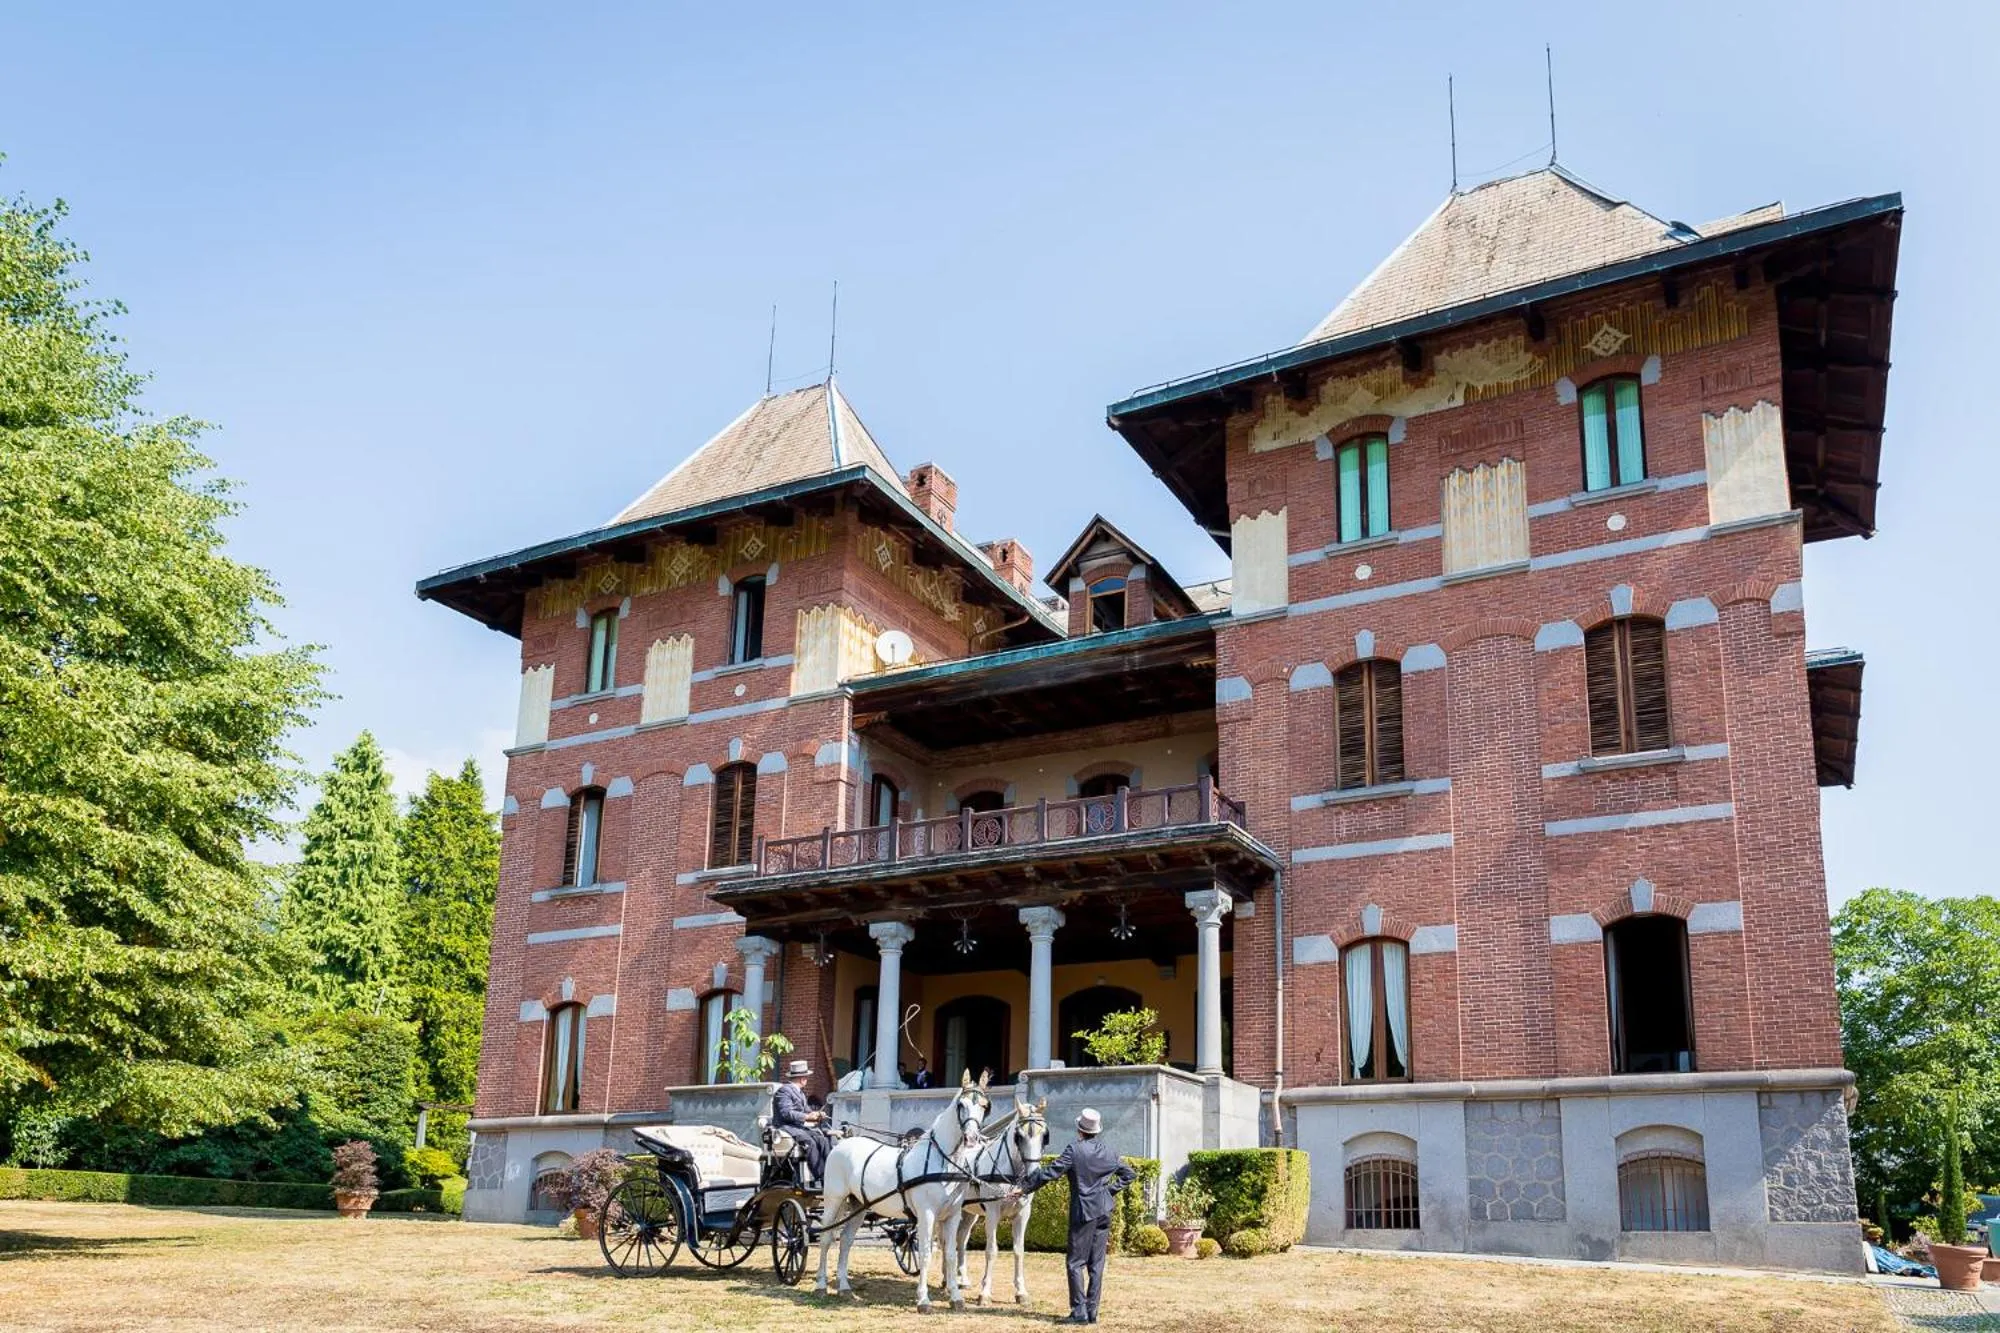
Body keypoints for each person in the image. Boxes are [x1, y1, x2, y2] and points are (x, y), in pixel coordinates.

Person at [1010, 1108, 1134, 1325]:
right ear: (1096, 1131)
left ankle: (1079, 1313)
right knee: (1096, 1264)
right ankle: (1092, 1312)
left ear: (1079, 1130)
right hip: (1104, 1210)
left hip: (1084, 1212)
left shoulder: (1074, 1150)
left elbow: (1051, 1172)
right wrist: (1109, 1191)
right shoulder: (1110, 1152)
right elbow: (1129, 1174)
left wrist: (1024, 1188)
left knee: (1075, 1263)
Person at [770, 1058, 830, 1184]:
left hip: (797, 1127)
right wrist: (807, 1117)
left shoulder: (800, 1093)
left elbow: (807, 1110)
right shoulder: (784, 1091)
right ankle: (820, 1177)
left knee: (822, 1139)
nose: (807, 1080)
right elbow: (786, 1113)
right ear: (802, 1078)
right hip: (786, 1126)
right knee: (810, 1142)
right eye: (806, 1077)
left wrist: (817, 1114)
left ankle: (831, 1172)